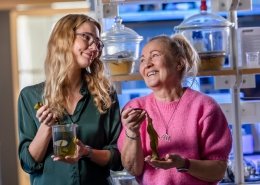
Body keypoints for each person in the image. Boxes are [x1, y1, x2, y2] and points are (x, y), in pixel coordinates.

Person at [17, 14, 123, 185]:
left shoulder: (105, 94)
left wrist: (87, 152)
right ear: (63, 38)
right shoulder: (29, 96)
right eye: (87, 37)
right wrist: (46, 127)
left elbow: (119, 158)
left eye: (97, 42)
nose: (94, 46)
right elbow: (28, 164)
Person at [117, 34, 232, 185]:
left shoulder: (205, 107)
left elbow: (218, 170)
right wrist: (132, 132)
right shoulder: (135, 109)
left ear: (179, 63)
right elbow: (133, 169)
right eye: (143, 60)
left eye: (154, 56)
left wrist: (184, 164)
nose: (147, 64)